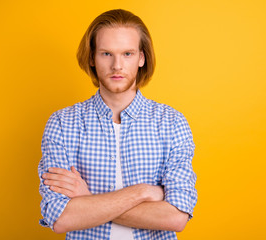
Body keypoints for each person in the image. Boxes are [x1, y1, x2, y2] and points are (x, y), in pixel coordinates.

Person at [38, 9, 197, 240]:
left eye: (127, 53)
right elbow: (60, 218)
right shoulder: (62, 124)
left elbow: (175, 217)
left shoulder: (172, 123)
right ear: (92, 57)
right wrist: (144, 192)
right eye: (106, 54)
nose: (117, 65)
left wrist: (88, 199)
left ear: (141, 58)